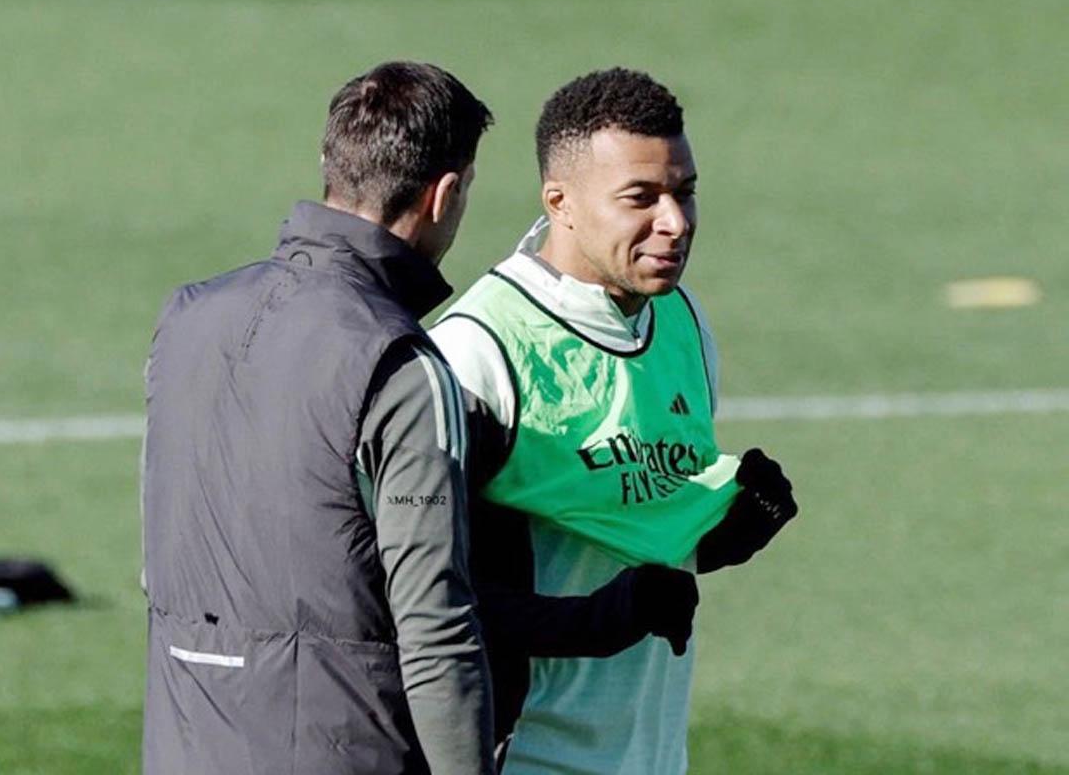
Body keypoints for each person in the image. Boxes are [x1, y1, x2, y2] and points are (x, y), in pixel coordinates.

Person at [430, 68, 799, 774]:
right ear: (560, 203)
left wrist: (719, 534)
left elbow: (620, 518)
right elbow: (419, 593)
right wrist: (596, 622)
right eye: (642, 198)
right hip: (526, 758)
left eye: (685, 192)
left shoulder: (680, 321)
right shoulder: (478, 353)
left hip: (654, 757)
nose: (676, 222)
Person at [141, 61, 497, 775]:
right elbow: (435, 630)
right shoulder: (402, 364)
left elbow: (161, 567)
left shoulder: (185, 319)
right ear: (444, 194)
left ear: (332, 165)